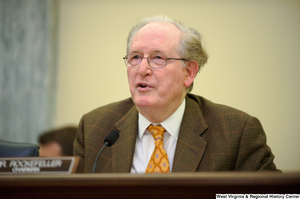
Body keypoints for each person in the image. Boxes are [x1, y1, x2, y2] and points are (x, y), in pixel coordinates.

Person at [73, 15, 279, 173]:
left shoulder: (237, 132)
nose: (142, 69)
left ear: (189, 72)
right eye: (135, 57)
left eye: (158, 58)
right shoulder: (95, 128)